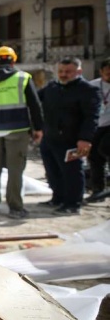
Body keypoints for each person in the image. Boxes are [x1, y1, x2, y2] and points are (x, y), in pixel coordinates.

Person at [0, 46, 44, 219]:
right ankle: (15, 207)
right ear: (13, 61)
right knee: (15, 169)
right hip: (17, 130)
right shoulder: (23, 78)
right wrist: (39, 128)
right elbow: (35, 105)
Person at [38, 57, 101, 215]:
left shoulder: (87, 90)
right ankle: (58, 198)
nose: (63, 74)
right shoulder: (52, 87)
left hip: (72, 140)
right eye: (61, 71)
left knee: (71, 173)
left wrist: (85, 139)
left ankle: (73, 204)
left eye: (68, 72)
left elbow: (91, 117)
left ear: (78, 72)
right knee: (52, 171)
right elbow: (35, 100)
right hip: (50, 137)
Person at [87, 58, 110, 202]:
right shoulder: (92, 86)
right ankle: (98, 190)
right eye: (107, 73)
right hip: (96, 126)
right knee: (94, 157)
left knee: (105, 148)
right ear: (101, 72)